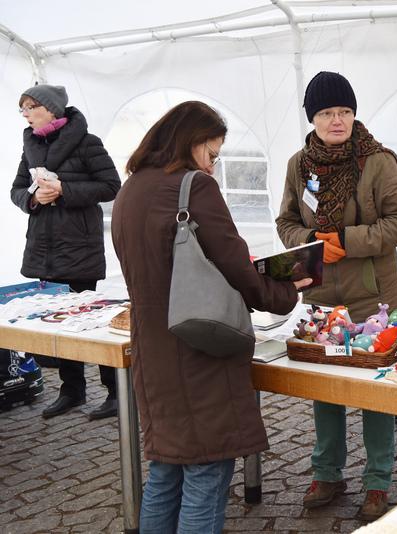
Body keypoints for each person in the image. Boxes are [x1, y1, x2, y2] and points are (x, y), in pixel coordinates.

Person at [112, 101, 311, 533]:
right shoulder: (193, 187)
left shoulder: (130, 190)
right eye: (213, 153)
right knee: (205, 473)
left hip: (153, 348)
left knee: (166, 471)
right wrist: (282, 291)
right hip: (198, 350)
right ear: (191, 141)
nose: (213, 164)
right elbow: (235, 263)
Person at [276, 71, 397, 520]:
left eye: (345, 111)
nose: (337, 121)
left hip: (373, 303)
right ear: (312, 118)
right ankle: (327, 473)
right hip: (324, 302)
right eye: (327, 113)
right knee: (328, 386)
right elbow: (285, 222)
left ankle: (377, 482)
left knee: (375, 389)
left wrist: (347, 241)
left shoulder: (378, 161)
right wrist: (313, 241)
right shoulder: (300, 165)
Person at [10, 84, 121, 420]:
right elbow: (16, 190)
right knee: (57, 323)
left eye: (31, 107)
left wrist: (64, 190)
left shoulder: (88, 142)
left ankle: (115, 392)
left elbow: (111, 186)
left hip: (80, 247)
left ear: (51, 108)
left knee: (91, 322)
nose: (26, 115)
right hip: (43, 248)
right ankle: (72, 390)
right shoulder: (31, 144)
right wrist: (32, 200)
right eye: (23, 109)